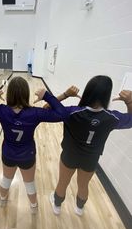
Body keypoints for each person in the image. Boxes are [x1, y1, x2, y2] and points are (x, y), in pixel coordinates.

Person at [0, 76, 72, 214]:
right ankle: (33, 207)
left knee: (6, 179)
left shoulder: (1, 110)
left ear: (9, 94)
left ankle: (2, 199)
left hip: (8, 154)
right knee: (29, 183)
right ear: (27, 93)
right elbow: (63, 114)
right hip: (27, 155)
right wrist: (47, 96)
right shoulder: (35, 113)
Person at [48, 75, 132, 216]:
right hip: (90, 159)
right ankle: (79, 209)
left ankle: (57, 206)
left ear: (87, 92)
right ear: (107, 96)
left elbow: (47, 108)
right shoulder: (111, 117)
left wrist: (66, 94)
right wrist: (129, 102)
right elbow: (130, 121)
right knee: (83, 186)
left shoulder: (71, 112)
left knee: (63, 182)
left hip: (69, 155)